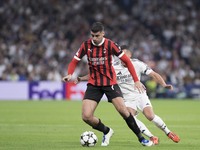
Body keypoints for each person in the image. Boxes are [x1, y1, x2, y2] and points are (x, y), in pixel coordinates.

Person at [62, 22, 153, 146]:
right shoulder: (86, 45)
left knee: (124, 111)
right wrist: (70, 74)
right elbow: (74, 61)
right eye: (92, 35)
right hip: (94, 84)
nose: (94, 38)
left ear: (103, 34)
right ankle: (107, 131)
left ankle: (141, 138)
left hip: (110, 83)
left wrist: (136, 80)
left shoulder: (110, 45)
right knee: (86, 116)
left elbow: (127, 61)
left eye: (97, 36)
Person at [76, 45, 181, 145]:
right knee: (130, 116)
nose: (123, 58)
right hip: (126, 98)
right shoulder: (113, 67)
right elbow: (96, 75)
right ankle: (152, 137)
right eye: (121, 56)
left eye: (126, 55)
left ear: (130, 55)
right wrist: (81, 78)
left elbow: (153, 74)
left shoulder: (137, 64)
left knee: (150, 116)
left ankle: (168, 132)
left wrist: (164, 84)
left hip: (140, 94)